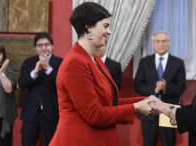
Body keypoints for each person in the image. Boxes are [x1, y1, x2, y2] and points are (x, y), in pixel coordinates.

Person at [49, 2, 153, 146]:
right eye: (105, 26)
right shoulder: (75, 63)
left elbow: (109, 102)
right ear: (88, 27)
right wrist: (136, 107)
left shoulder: (94, 59)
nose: (109, 32)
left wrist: (146, 101)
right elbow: (95, 115)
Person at [134, 32, 186, 146]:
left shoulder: (178, 62)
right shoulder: (144, 62)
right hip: (149, 109)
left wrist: (166, 87)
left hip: (169, 110)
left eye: (164, 41)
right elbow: (137, 85)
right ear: (153, 44)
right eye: (158, 41)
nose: (161, 44)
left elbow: (181, 87)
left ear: (169, 43)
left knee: (169, 142)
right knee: (148, 142)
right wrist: (154, 89)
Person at [18, 32, 63, 146]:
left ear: (52, 46)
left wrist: (48, 69)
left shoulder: (60, 62)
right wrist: (35, 72)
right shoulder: (29, 63)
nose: (43, 48)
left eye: (47, 44)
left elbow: (63, 84)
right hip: (31, 113)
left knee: (52, 143)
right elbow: (22, 85)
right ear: (35, 48)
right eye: (39, 45)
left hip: (52, 113)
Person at [0, 42, 17, 146]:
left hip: (2, 117)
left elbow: (9, 89)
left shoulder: (8, 71)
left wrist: (1, 73)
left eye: (0, 53)